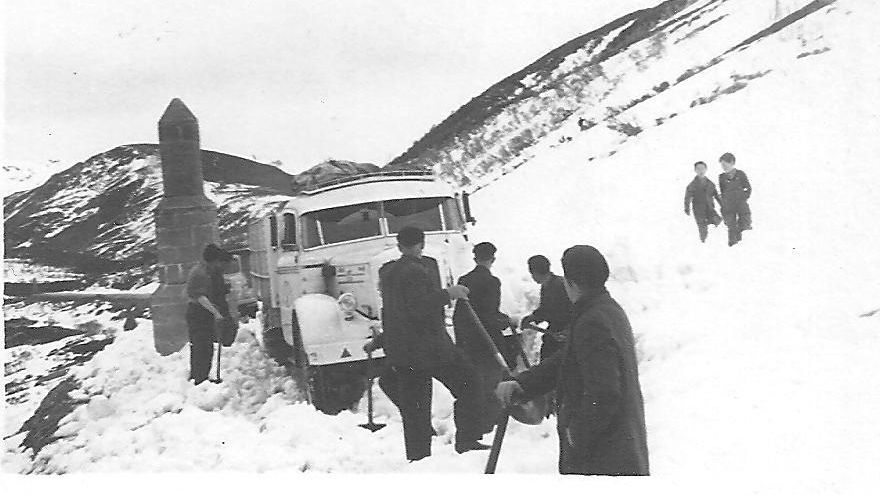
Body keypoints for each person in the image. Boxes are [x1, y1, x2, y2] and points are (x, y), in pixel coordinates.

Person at [495, 245, 649, 476]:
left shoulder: (593, 321)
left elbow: (605, 393)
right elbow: (566, 359)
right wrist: (523, 383)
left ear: (571, 283)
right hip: (614, 445)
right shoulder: (605, 310)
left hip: (603, 455)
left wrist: (576, 434)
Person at [364, 226, 488, 461]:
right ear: (421, 244)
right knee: (470, 383)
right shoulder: (417, 271)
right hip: (431, 350)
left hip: (403, 353)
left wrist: (381, 340)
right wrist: (449, 293)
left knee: (415, 408)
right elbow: (419, 307)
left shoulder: (388, 275)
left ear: (399, 246)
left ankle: (418, 457)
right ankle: (467, 440)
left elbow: (394, 314)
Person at [452, 242, 517, 436]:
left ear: (475, 258)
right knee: (491, 384)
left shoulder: (464, 279)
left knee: (474, 384)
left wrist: (461, 342)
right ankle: (487, 425)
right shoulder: (492, 281)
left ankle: (476, 427)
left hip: (468, 342)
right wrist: (506, 321)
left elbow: (459, 315)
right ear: (492, 259)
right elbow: (489, 315)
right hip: (487, 343)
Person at [186, 243, 234, 384]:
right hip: (197, 313)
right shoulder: (199, 273)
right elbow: (200, 297)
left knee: (207, 347)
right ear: (212, 260)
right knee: (201, 346)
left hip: (206, 313)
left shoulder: (210, 272)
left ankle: (203, 376)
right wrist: (216, 313)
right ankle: (199, 378)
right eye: (218, 261)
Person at [519, 255, 573, 362]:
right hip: (555, 331)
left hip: (566, 333)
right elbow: (545, 310)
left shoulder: (560, 285)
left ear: (534, 272)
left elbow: (573, 309)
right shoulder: (547, 286)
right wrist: (532, 318)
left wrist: (569, 329)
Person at [717, 152, 752, 246]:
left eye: (725, 164)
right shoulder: (721, 177)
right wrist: (723, 201)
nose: (723, 167)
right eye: (722, 165)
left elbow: (748, 188)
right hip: (728, 206)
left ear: (732, 163)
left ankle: (743, 245)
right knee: (731, 227)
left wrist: (742, 198)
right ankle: (733, 246)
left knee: (745, 225)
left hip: (741, 204)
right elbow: (723, 191)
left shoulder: (740, 174)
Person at [684, 161, 722, 243]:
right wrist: (687, 209)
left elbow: (716, 196)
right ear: (695, 170)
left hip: (710, 208)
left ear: (706, 169)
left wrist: (723, 205)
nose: (701, 171)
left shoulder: (710, 183)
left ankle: (715, 241)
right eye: (698, 169)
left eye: (702, 168)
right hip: (699, 210)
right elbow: (687, 198)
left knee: (718, 221)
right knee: (703, 229)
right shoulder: (692, 185)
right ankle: (703, 243)